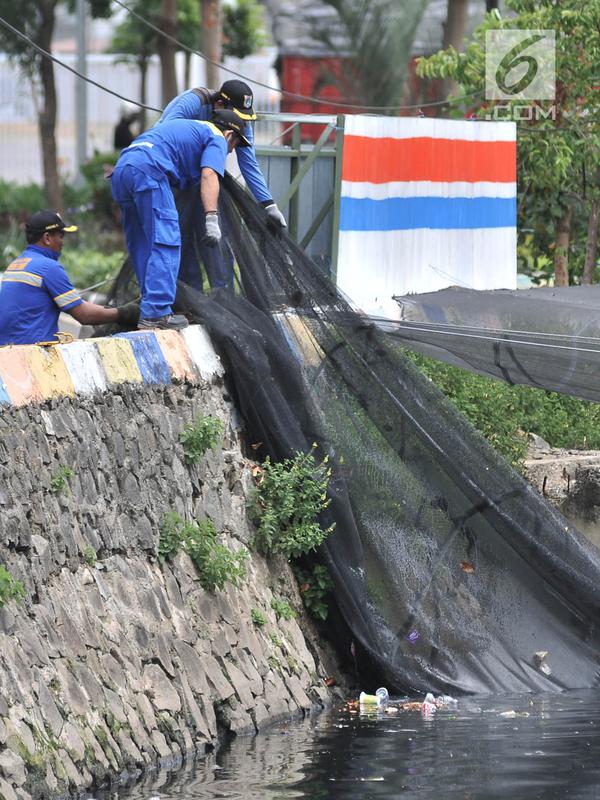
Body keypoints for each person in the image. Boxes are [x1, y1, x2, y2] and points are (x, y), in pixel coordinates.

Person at [111, 109, 251, 330]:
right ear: (229, 135)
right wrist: (211, 218)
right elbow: (209, 175)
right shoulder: (216, 136)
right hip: (149, 171)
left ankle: (149, 306)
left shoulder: (188, 127)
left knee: (142, 244)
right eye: (234, 145)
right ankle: (156, 312)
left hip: (122, 169)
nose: (231, 151)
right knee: (166, 241)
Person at [159, 79, 286, 290]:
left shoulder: (240, 121)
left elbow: (249, 163)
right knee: (181, 235)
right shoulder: (192, 104)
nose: (242, 122)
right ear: (219, 105)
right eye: (238, 116)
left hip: (207, 177)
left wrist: (269, 205)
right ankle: (190, 297)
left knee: (218, 235)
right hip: (177, 176)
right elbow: (162, 137)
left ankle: (224, 295)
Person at [0, 211, 139, 347]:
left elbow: (76, 304)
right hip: (32, 351)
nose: (63, 242)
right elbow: (84, 315)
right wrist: (125, 313)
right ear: (47, 238)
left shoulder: (17, 264)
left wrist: (110, 309)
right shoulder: (48, 267)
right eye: (61, 236)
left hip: (8, 350)